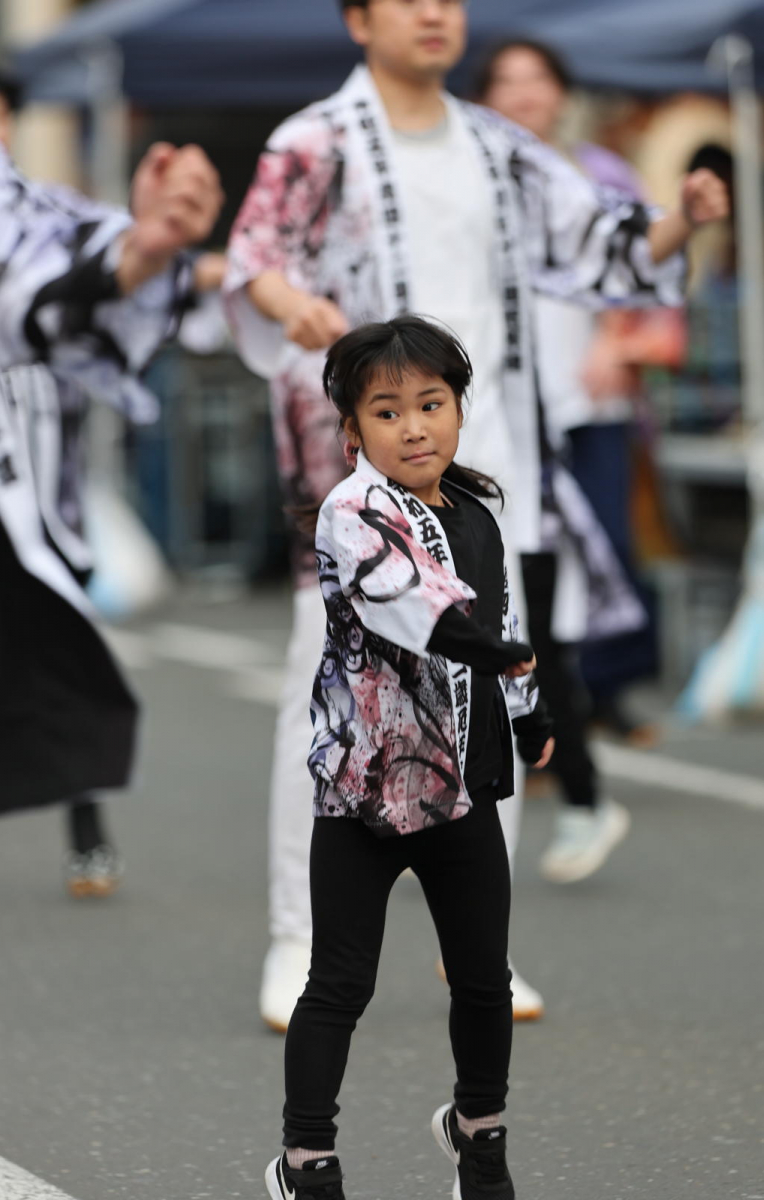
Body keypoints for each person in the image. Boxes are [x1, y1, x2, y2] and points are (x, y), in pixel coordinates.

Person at [225, 0, 728, 1030]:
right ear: (359, 19)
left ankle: (478, 956)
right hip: (356, 465)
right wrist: (295, 308)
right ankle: (298, 939)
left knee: (487, 684)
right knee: (327, 684)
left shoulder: (501, 147)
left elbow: (602, 244)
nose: (434, 14)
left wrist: (683, 218)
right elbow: (254, 258)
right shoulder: (315, 140)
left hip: (483, 458)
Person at [265, 315, 553, 1200]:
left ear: (459, 412)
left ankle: (480, 1142)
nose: (414, 426)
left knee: (483, 982)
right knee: (338, 984)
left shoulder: (475, 513)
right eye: (387, 412)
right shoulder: (352, 513)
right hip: (363, 794)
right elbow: (407, 601)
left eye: (431, 404)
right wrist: (489, 652)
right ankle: (306, 1158)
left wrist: (528, 709)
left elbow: (504, 625)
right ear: (353, 431)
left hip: (461, 788)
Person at [0, 63, 223, 896]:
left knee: (61, 644)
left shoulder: (52, 218)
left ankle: (87, 826)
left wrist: (154, 250)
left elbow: (122, 277)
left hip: (40, 489)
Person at [475, 39, 692, 880]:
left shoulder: (595, 173)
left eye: (538, 82)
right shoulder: (472, 178)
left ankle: (582, 760)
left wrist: (617, 343)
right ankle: (559, 780)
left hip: (582, 416)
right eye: (508, 82)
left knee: (570, 592)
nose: (525, 96)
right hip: (488, 428)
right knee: (492, 620)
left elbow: (643, 271)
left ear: (561, 95)